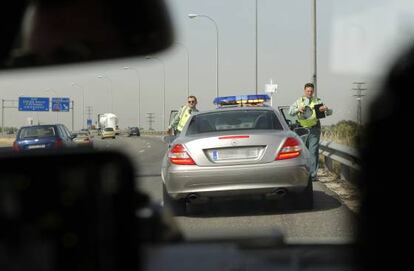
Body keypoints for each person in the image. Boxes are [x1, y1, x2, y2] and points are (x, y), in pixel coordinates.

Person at [289, 83, 329, 181]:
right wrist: (298, 109)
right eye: (308, 91)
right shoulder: (299, 101)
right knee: (303, 152)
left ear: (313, 91)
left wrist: (326, 110)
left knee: (313, 152)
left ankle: (313, 175)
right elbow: (290, 112)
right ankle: (303, 174)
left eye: (311, 91)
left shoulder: (317, 101)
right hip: (302, 130)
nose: (309, 93)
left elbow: (328, 113)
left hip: (314, 129)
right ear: (304, 91)